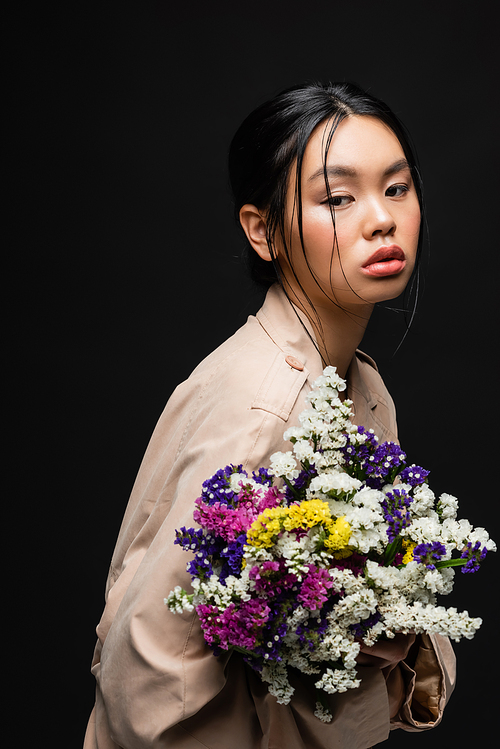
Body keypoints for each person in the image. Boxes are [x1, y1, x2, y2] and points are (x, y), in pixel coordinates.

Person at [84, 81, 456, 749]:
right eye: (338, 197)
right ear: (262, 231)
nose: (381, 218)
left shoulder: (357, 383)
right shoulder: (264, 405)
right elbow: (147, 673)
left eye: (396, 188)